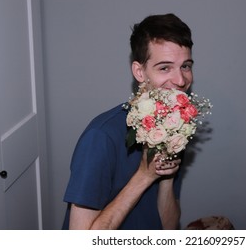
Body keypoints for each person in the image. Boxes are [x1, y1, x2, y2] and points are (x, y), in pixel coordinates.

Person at [62, 13, 194, 230]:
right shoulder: (101, 137)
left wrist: (167, 178)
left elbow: (168, 228)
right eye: (164, 67)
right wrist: (144, 175)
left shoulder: (175, 125)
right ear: (140, 72)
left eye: (186, 66)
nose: (181, 80)